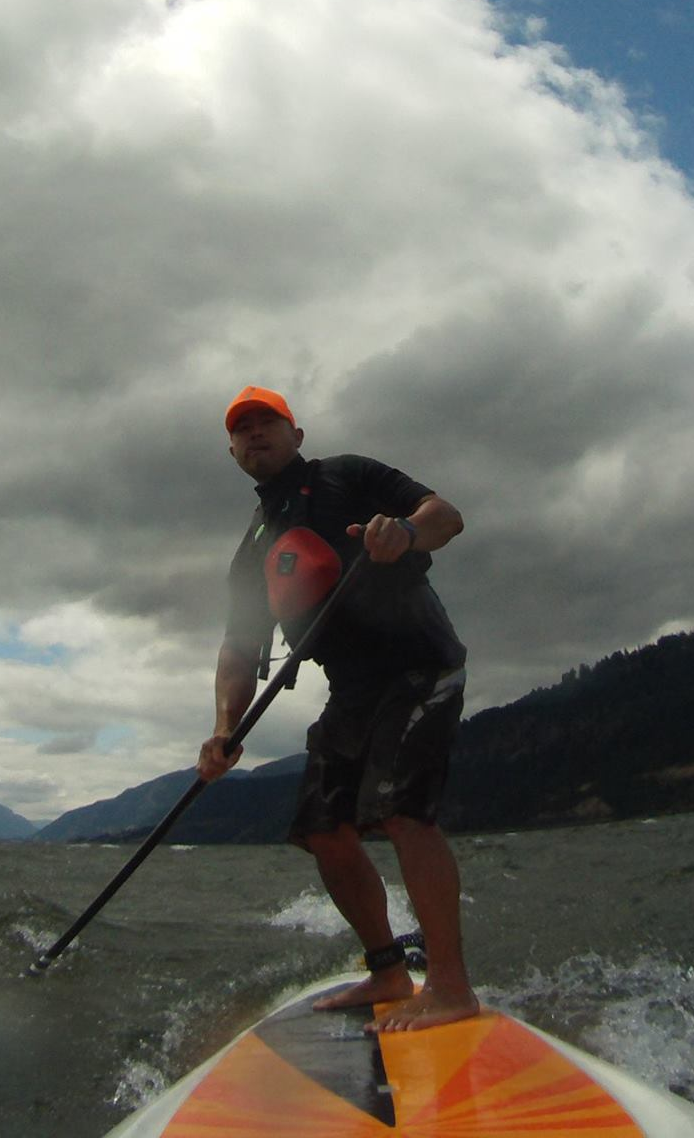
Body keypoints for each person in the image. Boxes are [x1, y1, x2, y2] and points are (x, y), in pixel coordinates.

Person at [197, 385, 480, 1033]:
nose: (255, 434)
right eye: (242, 430)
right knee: (323, 828)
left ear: (296, 435)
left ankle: (450, 987)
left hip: (418, 662)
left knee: (402, 811)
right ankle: (386, 969)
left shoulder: (349, 476)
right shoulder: (253, 551)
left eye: (268, 421)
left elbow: (447, 516)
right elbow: (240, 649)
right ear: (233, 451)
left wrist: (405, 532)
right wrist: (223, 730)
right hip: (351, 690)